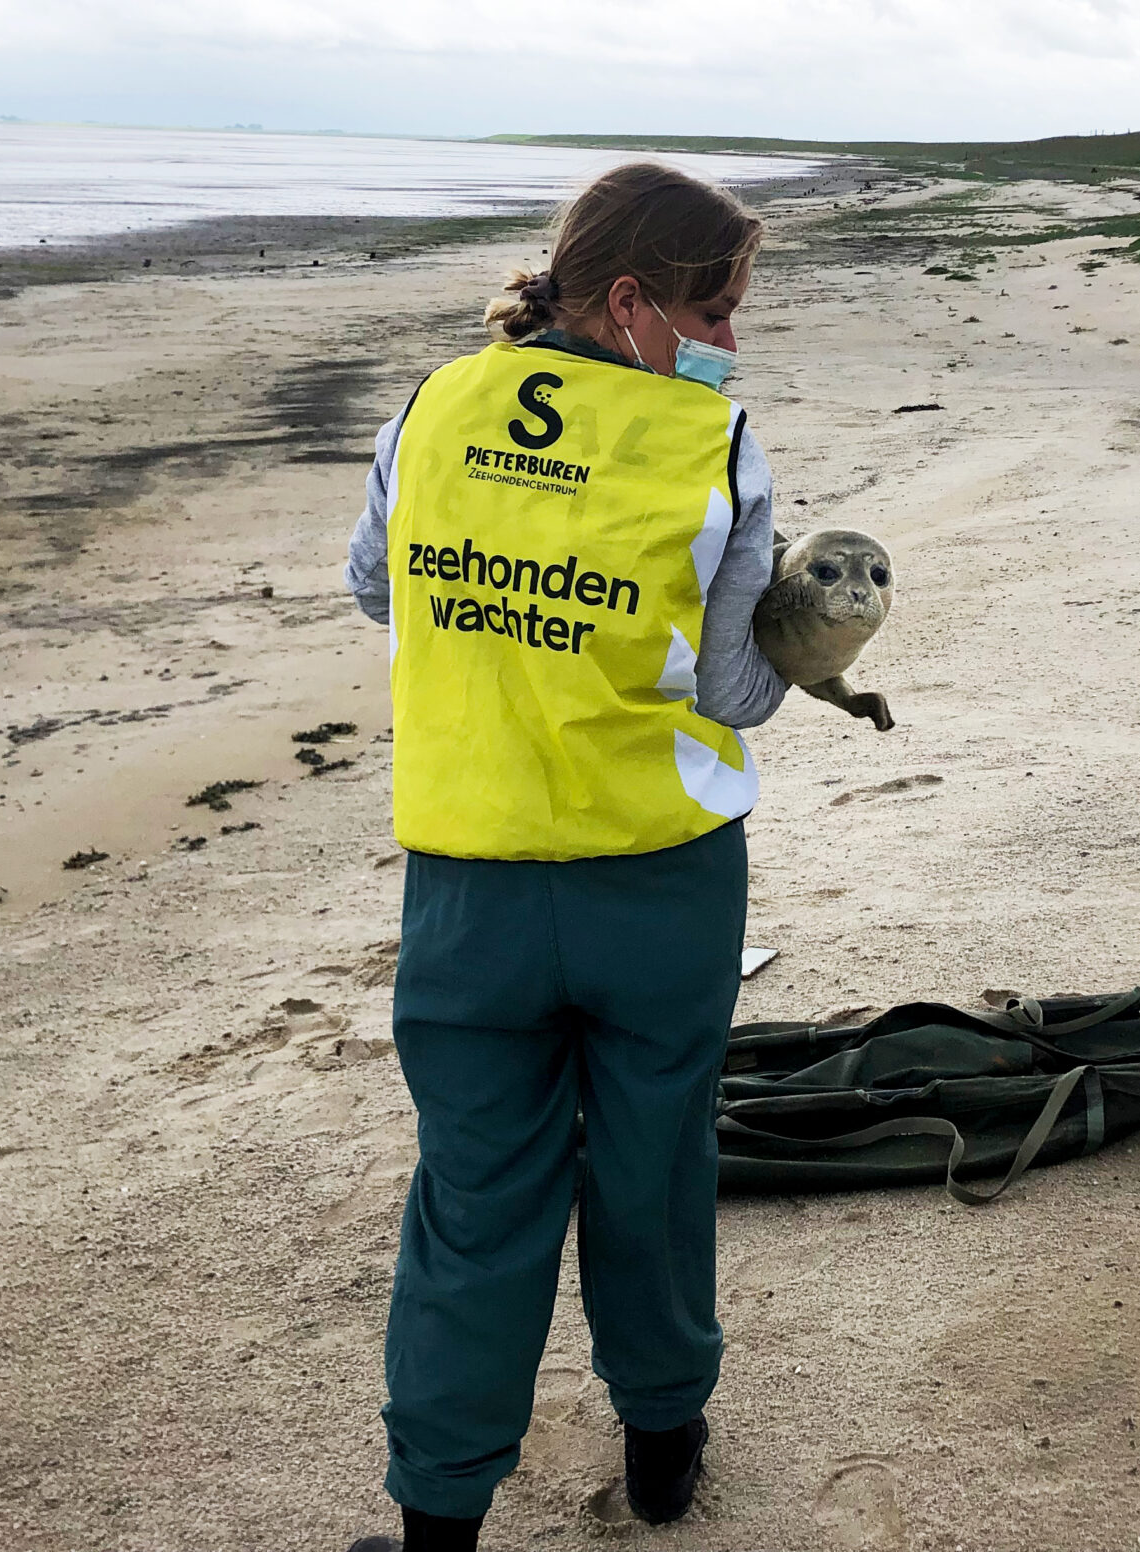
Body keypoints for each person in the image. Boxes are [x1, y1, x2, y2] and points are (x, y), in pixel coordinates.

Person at [341, 162, 788, 1552]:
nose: (733, 337)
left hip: (469, 885)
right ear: (636, 301)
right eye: (719, 306)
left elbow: (374, 583)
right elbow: (732, 689)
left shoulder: (432, 406)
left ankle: (439, 1523)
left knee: (474, 1203)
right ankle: (665, 1447)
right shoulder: (713, 447)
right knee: (654, 1166)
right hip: (659, 876)